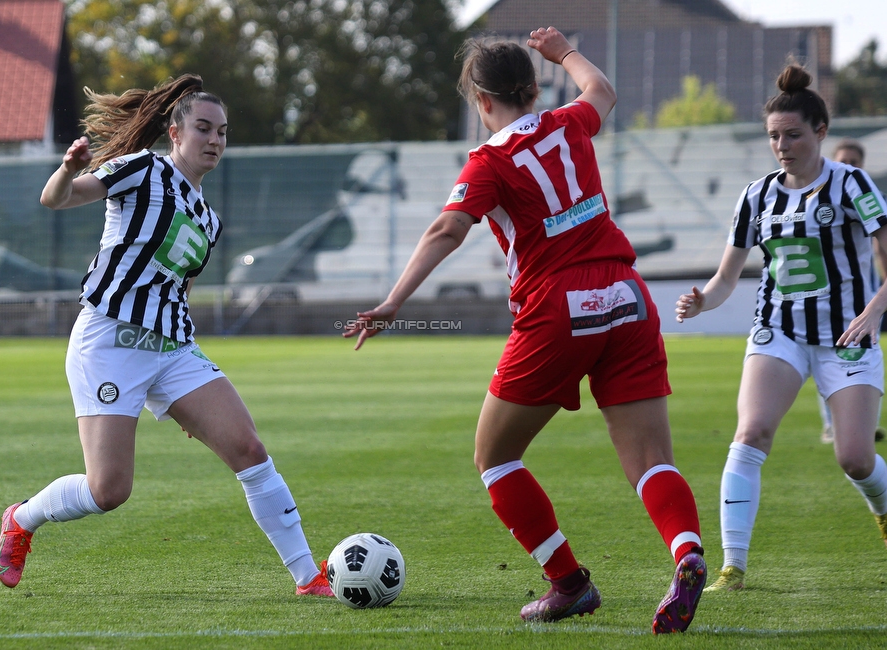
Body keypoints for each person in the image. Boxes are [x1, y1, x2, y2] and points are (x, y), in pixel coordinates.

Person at [344, 27, 706, 634]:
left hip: (559, 306)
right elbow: (603, 90)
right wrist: (564, 51)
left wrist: (391, 302)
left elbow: (446, 231)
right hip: (625, 294)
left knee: (495, 456)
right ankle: (687, 551)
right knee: (650, 458)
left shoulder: (489, 160)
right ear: (536, 88)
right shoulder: (569, 124)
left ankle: (569, 584)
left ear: (481, 102)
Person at [0, 74, 333, 598]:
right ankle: (21, 519)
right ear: (175, 133)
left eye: (222, 132)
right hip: (110, 341)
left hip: (172, 347)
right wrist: (66, 170)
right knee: (109, 491)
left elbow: (179, 288)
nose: (215, 140)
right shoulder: (142, 169)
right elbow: (55, 200)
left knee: (249, 448)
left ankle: (309, 578)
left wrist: (186, 398)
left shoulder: (210, 220)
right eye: (203, 129)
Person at [676, 65, 887, 593]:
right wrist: (703, 300)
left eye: (793, 134)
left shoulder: (852, 184)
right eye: (773, 136)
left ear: (820, 131)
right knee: (750, 435)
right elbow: (727, 279)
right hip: (779, 332)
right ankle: (732, 567)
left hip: (848, 336)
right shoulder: (756, 196)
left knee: (855, 458)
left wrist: (878, 308)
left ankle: (882, 509)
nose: (782, 146)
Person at [818, 140, 887, 443]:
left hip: (863, 296)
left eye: (854, 162)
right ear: (833, 161)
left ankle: (863, 423)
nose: (848, 166)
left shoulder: (869, 198)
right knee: (826, 357)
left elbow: (881, 246)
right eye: (843, 160)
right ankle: (832, 424)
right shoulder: (817, 199)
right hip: (824, 299)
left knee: (866, 355)